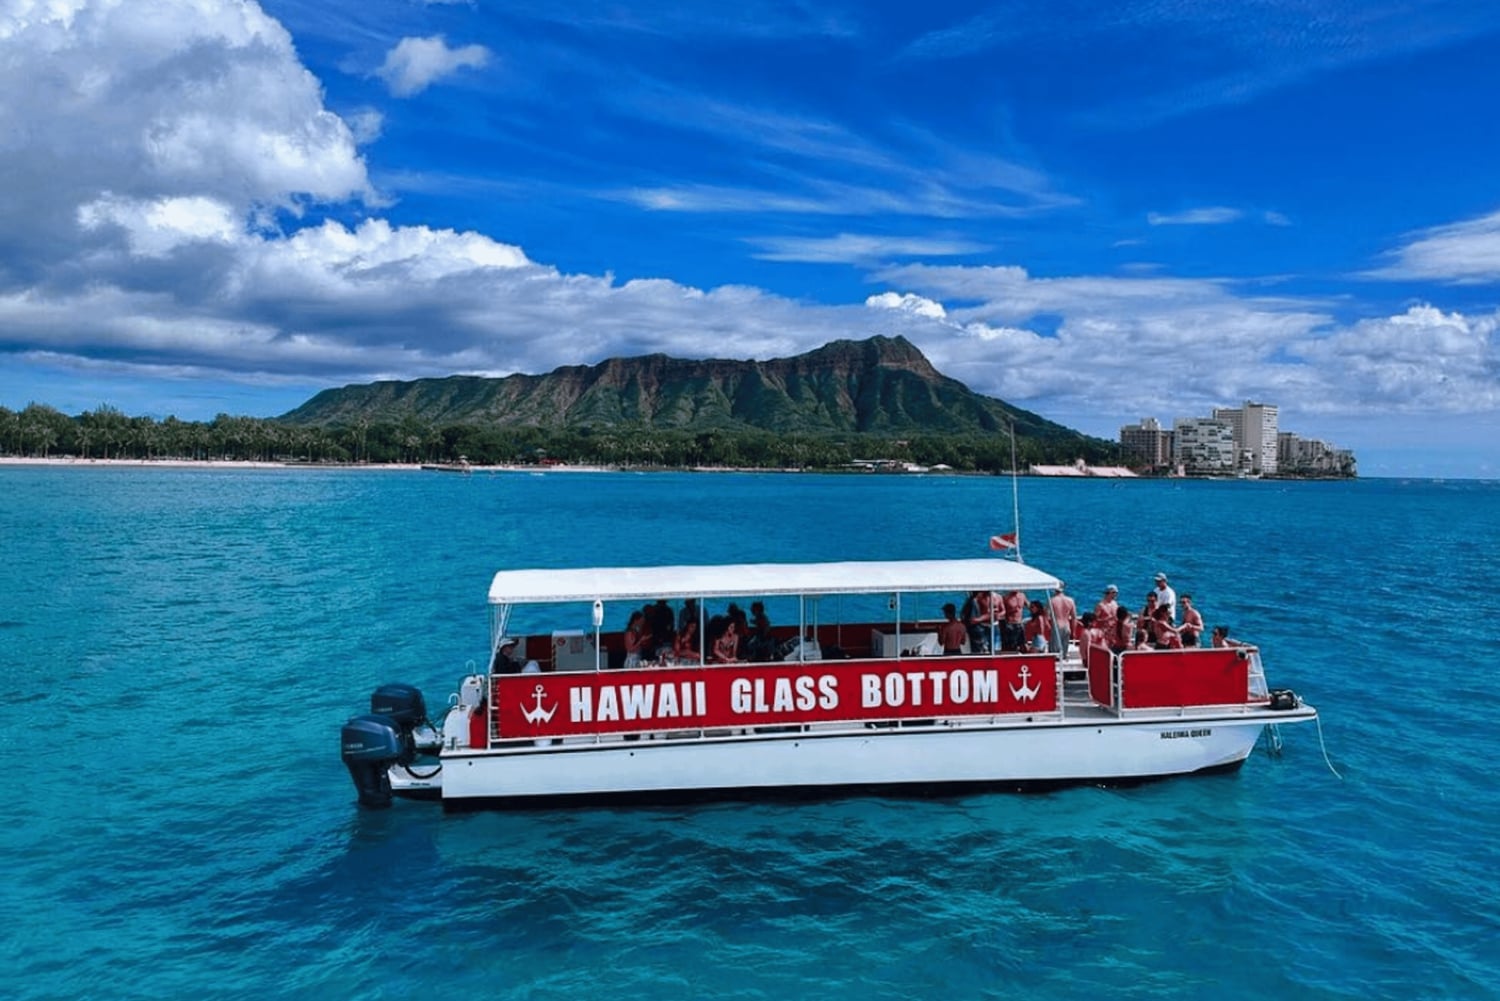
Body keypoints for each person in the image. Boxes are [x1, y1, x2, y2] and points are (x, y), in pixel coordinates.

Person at [1049, 582, 1078, 654]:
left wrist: (1048, 627)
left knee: (1055, 652)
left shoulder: (1052, 601)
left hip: (1056, 626)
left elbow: (1046, 616)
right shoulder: (1070, 600)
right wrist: (1073, 632)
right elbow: (1074, 617)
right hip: (1066, 626)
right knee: (1064, 651)